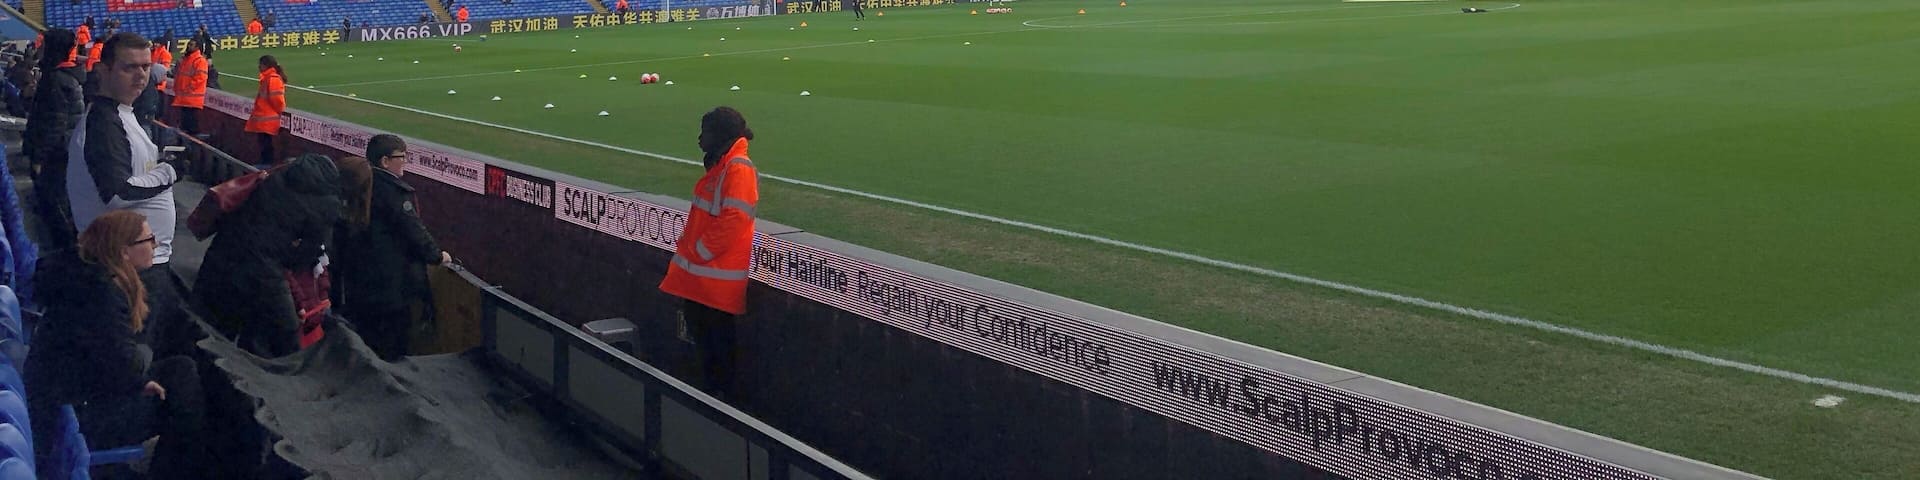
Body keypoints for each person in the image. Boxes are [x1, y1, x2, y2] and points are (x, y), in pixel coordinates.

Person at [25, 210, 209, 479]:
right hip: (75, 412)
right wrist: (141, 367)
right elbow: (124, 361)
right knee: (182, 385)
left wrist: (139, 376)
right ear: (124, 252)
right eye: (149, 240)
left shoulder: (85, 277)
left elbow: (112, 359)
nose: (155, 245)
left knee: (180, 371)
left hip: (68, 394)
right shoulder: (102, 293)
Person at [68, 32, 194, 354]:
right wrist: (170, 171)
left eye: (145, 67)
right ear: (104, 70)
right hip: (127, 268)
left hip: (138, 261)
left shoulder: (121, 114)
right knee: (135, 356)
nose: (140, 75)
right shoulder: (104, 122)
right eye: (129, 67)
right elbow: (119, 192)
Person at [195, 155, 341, 357]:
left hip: (222, 256)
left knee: (208, 330)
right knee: (282, 340)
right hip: (265, 274)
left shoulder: (273, 179)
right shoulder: (327, 203)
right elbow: (307, 254)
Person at [659, 107, 760, 397]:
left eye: (705, 132)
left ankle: (719, 407)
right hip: (703, 282)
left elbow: (735, 219)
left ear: (720, 136)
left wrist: (699, 252)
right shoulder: (722, 165)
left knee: (718, 354)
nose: (699, 139)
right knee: (707, 351)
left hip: (715, 283)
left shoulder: (737, 168)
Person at [332, 135, 450, 360]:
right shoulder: (392, 192)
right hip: (389, 286)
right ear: (385, 161)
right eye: (401, 157)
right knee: (391, 345)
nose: (405, 161)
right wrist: (437, 256)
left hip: (358, 283)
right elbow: (413, 231)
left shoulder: (359, 184)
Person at [25, 28, 86, 248]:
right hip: (62, 151)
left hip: (56, 154)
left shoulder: (56, 80)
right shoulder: (62, 77)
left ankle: (65, 253)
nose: (39, 48)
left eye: (44, 45)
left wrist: (39, 157)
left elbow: (54, 123)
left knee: (55, 205)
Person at [244, 55, 286, 168]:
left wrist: (279, 111)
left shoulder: (273, 79)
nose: (259, 67)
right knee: (264, 143)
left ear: (266, 65)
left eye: (261, 64)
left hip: (268, 119)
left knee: (267, 144)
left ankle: (267, 165)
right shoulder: (267, 78)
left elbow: (277, 100)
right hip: (264, 119)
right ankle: (265, 164)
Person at [170, 40, 208, 135]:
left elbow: (200, 78)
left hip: (192, 98)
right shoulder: (185, 60)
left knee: (191, 125)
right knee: (185, 125)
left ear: (197, 47)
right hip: (184, 97)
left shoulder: (199, 60)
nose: (188, 46)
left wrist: (188, 89)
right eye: (188, 44)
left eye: (191, 45)